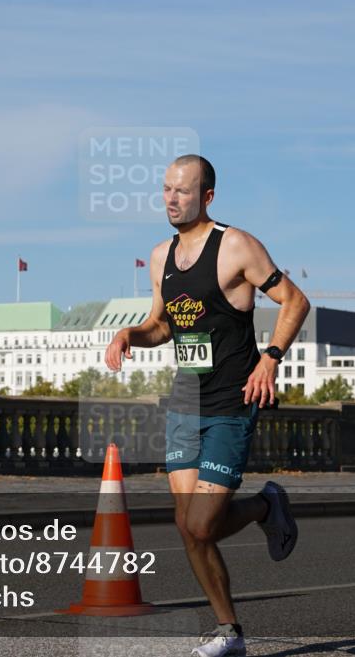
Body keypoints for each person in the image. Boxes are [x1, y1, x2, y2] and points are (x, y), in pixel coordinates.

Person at [105, 154, 310, 657]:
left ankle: (267, 504)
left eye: (182, 190)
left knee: (201, 523)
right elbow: (162, 326)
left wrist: (271, 359)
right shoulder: (160, 257)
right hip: (185, 401)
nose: (171, 199)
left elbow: (296, 301)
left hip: (230, 402)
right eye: (166, 190)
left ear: (207, 197)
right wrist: (132, 332)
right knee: (188, 525)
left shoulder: (235, 246)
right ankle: (229, 632)